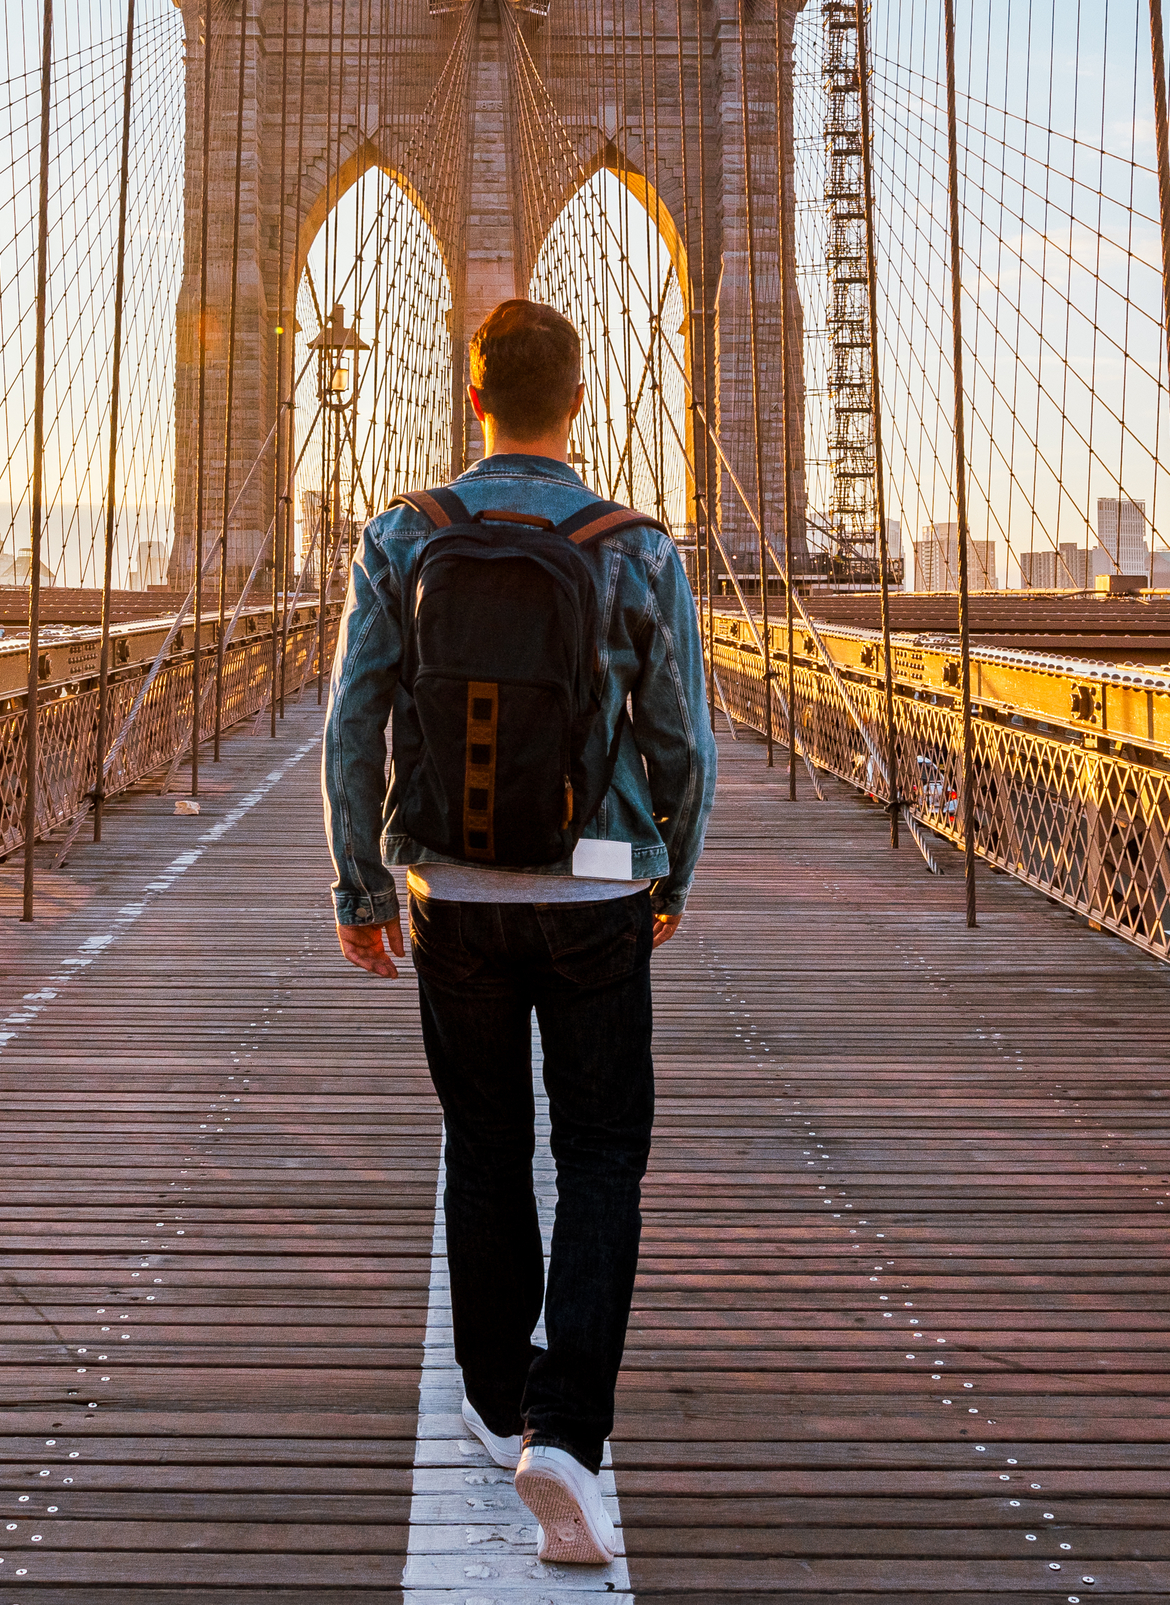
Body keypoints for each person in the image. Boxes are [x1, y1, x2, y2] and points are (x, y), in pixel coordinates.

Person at [325, 295, 712, 1568]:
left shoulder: (402, 533)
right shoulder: (640, 548)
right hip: (599, 890)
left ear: (472, 397)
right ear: (581, 401)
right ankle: (566, 1436)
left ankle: (501, 1407)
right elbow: (683, 747)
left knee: (485, 1148)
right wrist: (669, 878)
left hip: (453, 894)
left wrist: (362, 890)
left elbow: (350, 726)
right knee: (601, 1156)